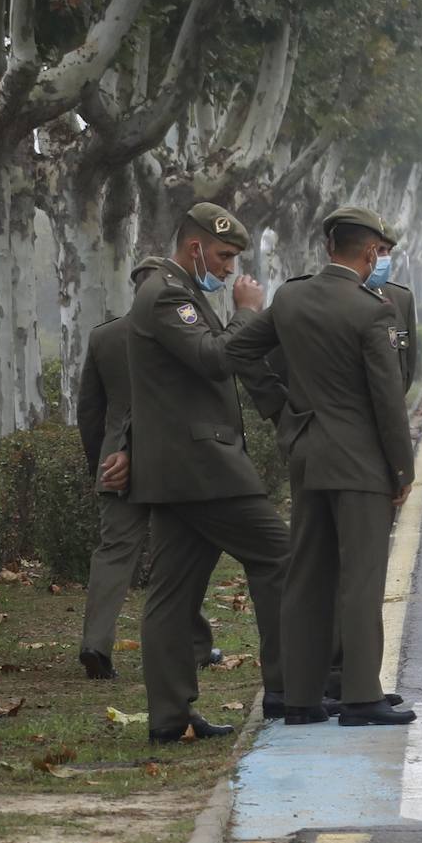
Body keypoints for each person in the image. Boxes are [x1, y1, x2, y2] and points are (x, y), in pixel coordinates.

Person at [105, 202, 290, 744]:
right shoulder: (167, 293)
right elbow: (212, 358)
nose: (231, 269)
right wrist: (249, 313)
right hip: (201, 469)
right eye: (225, 255)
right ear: (195, 248)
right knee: (280, 554)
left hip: (180, 469)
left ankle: (170, 717)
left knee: (172, 593)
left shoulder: (173, 290)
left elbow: (155, 387)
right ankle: (287, 686)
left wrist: (134, 448)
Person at [226, 206, 417, 727]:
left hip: (307, 450)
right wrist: (403, 470)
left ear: (329, 245)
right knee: (360, 578)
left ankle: (302, 699)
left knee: (307, 577)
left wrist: (281, 408)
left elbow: (240, 349)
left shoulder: (292, 296)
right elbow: (387, 399)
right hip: (360, 462)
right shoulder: (372, 310)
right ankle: (360, 697)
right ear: (371, 251)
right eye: (380, 250)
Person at [75, 259, 222, 680]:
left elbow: (90, 411)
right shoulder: (184, 333)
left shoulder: (104, 337)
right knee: (179, 555)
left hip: (115, 461)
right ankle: (195, 643)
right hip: (172, 460)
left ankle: (95, 644)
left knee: (114, 554)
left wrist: (100, 466)